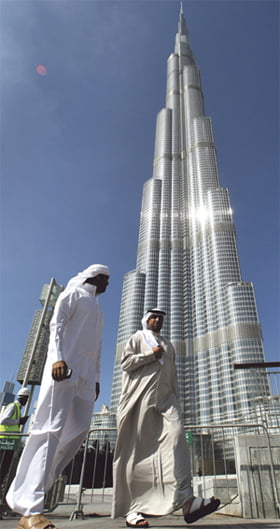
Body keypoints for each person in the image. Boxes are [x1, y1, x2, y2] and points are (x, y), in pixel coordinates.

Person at [6, 264, 109, 529]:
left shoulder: (98, 308)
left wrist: (96, 379)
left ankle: (34, 490)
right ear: (96, 277)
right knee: (49, 430)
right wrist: (58, 359)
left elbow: (96, 347)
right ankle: (31, 509)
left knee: (78, 431)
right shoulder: (72, 293)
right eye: (106, 280)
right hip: (62, 369)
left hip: (86, 378)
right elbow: (57, 325)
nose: (108, 285)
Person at [112, 308, 220, 527]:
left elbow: (172, 375)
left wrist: (175, 400)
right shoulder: (137, 338)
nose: (157, 320)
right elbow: (125, 363)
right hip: (140, 398)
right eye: (153, 317)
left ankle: (187, 499)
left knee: (177, 438)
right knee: (138, 451)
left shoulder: (169, 345)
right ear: (146, 320)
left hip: (167, 401)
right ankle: (134, 510)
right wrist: (150, 355)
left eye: (160, 318)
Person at [0, 387, 30, 483]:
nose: (26, 401)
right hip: (5, 442)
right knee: (2, 467)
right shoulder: (13, 406)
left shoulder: (17, 408)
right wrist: (19, 421)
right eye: (26, 399)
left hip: (10, 443)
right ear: (22, 397)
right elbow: (3, 420)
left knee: (4, 469)